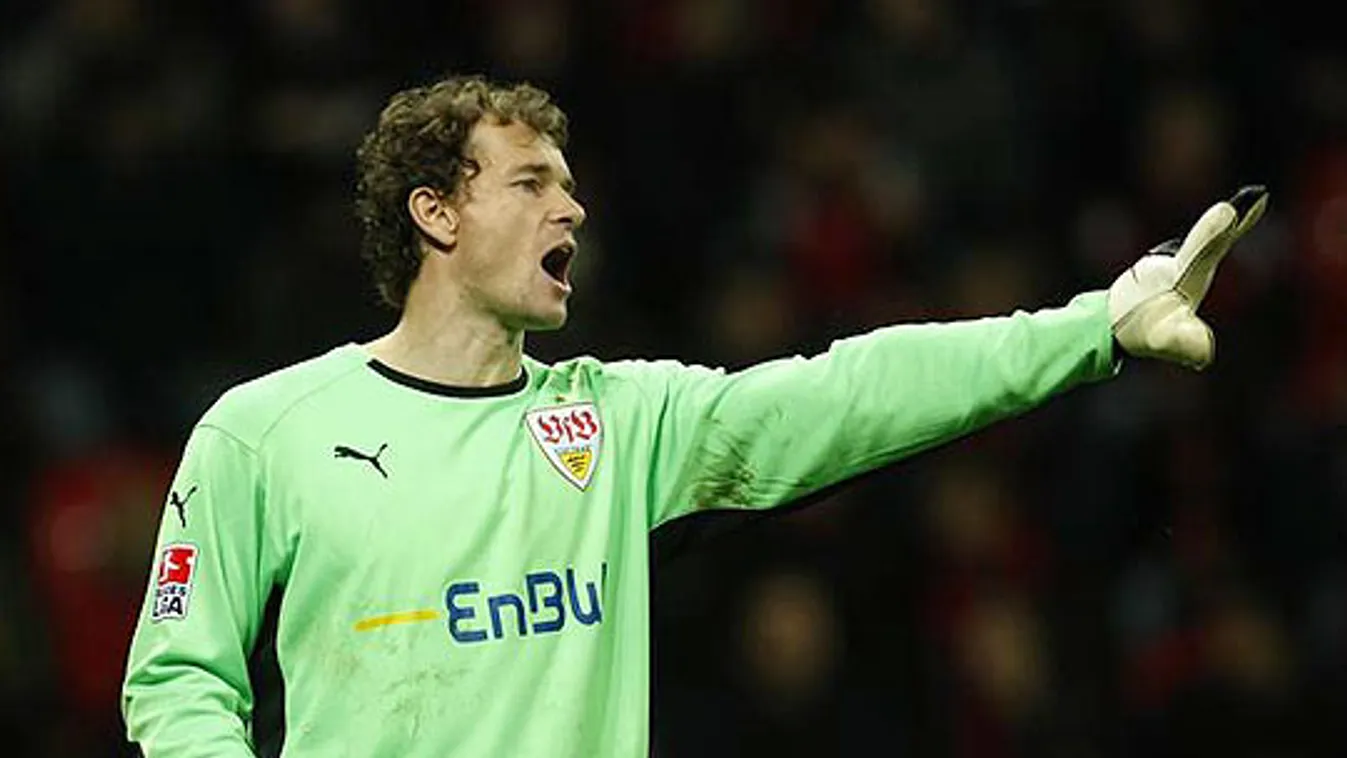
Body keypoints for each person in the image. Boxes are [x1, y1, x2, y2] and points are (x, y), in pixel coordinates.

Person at [121, 74, 1267, 757]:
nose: (572, 206)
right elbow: (176, 680)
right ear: (436, 213)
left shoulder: (621, 424)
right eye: (530, 181)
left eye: (571, 182)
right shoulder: (262, 433)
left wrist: (1091, 327)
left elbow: (853, 389)